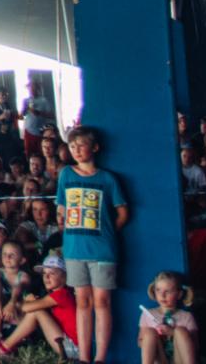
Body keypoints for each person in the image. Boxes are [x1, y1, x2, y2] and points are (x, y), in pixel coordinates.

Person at [58, 125, 128, 364]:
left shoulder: (107, 178)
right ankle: (84, 357)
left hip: (102, 251)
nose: (76, 150)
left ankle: (100, 357)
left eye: (81, 145)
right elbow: (61, 210)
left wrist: (106, 233)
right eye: (72, 146)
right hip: (74, 249)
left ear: (95, 147)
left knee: (102, 302)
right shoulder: (66, 174)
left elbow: (122, 212)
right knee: (82, 302)